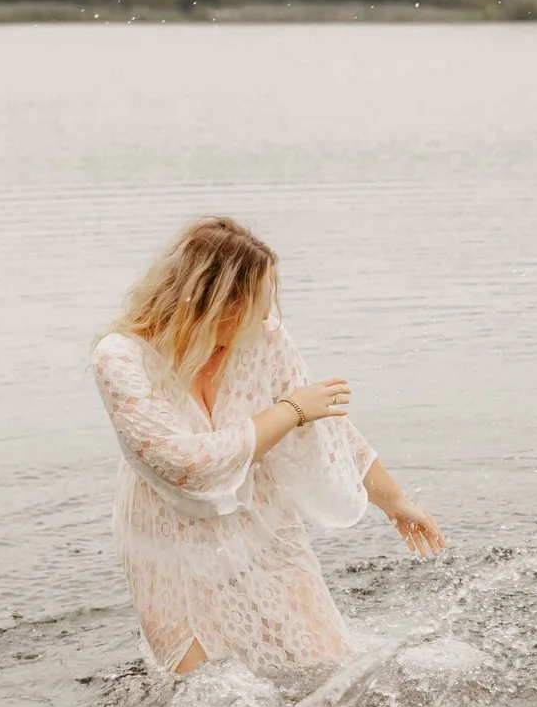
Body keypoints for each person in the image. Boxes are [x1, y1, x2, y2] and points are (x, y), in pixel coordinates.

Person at [90, 215, 444, 676]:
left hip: (264, 523)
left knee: (327, 667)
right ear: (208, 300)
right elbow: (183, 465)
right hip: (166, 539)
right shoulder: (120, 357)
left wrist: (396, 501)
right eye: (253, 302)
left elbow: (330, 432)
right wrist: (289, 411)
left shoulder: (266, 339)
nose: (264, 316)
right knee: (202, 691)